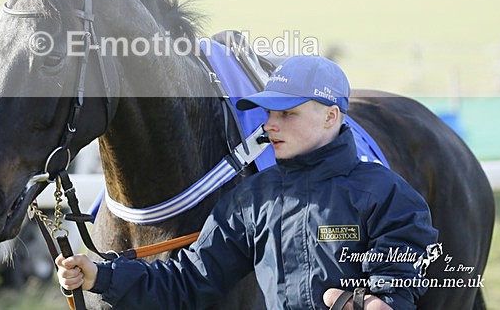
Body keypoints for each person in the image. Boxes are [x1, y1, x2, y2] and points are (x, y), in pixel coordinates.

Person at [57, 56, 438, 310]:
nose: (270, 124)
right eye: (269, 112)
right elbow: (188, 281)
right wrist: (101, 276)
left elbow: (393, 292)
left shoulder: (390, 196)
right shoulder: (252, 199)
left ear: (331, 116)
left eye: (287, 113)